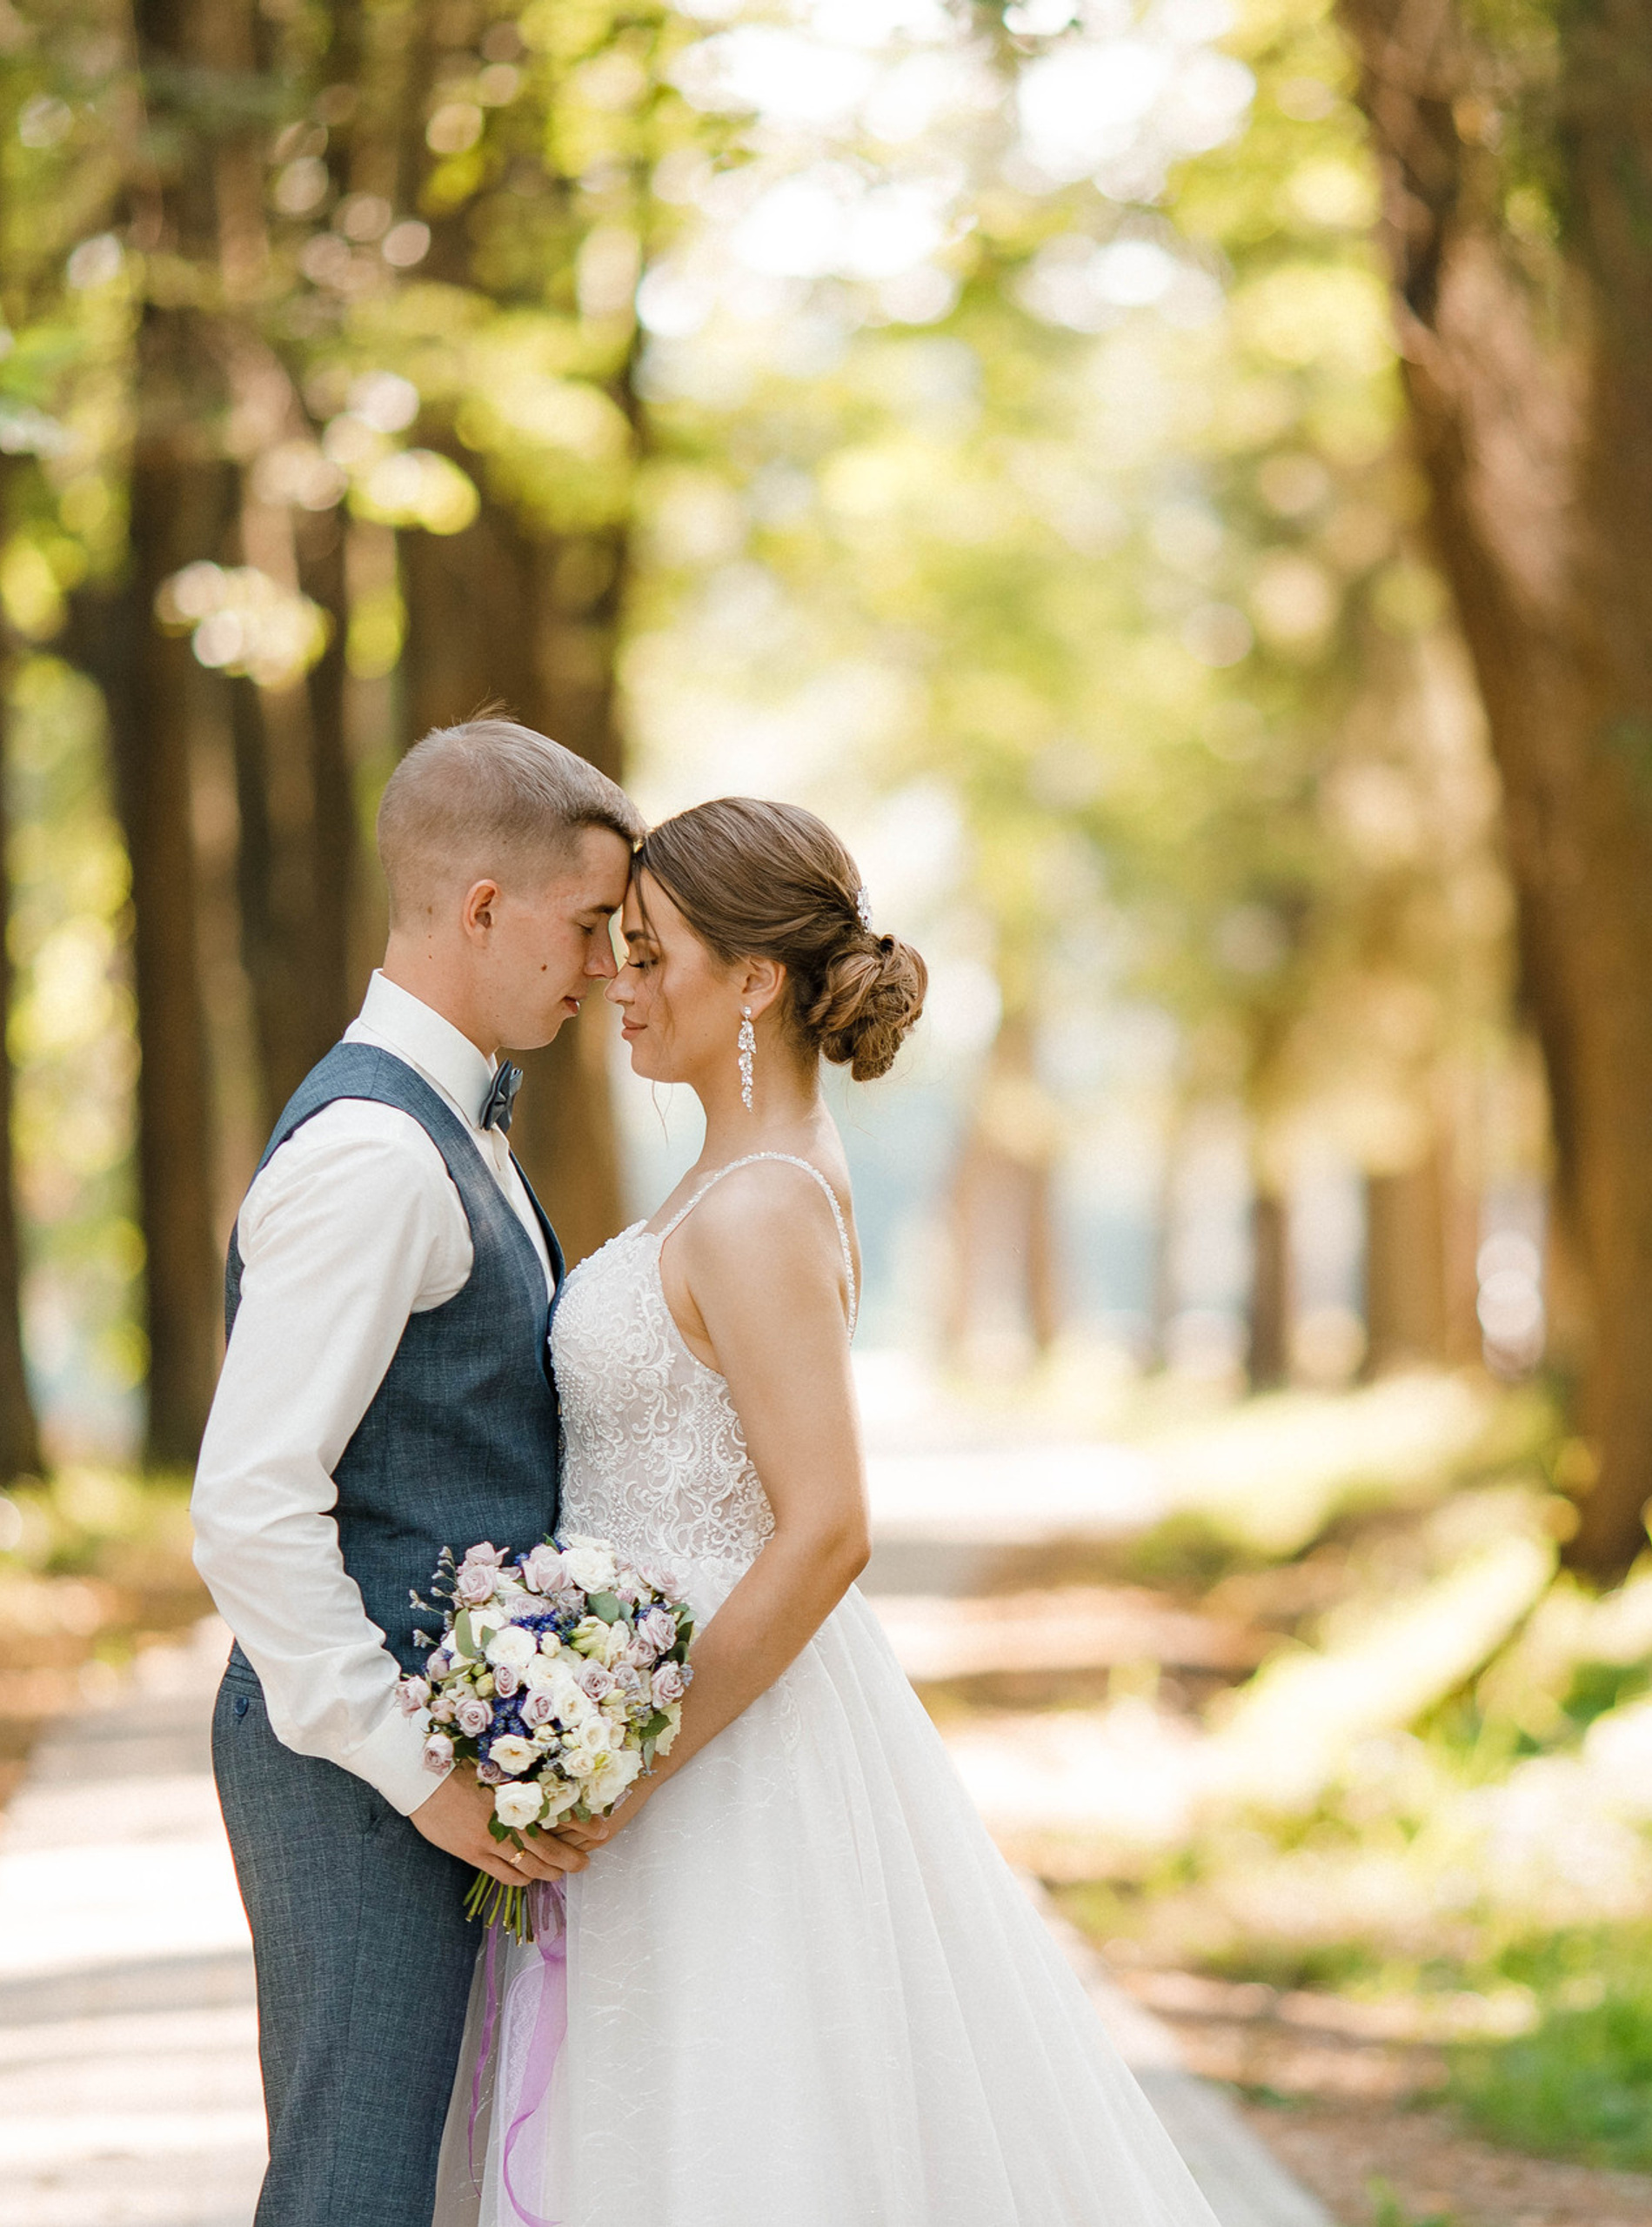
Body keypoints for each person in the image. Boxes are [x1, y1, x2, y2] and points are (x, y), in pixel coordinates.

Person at [470, 796, 1220, 2224]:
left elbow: (826, 1527)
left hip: (716, 1740)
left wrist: (632, 1762)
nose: (618, 980)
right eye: (619, 948)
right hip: (654, 1704)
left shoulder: (759, 1205)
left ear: (755, 979)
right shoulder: (740, 1178)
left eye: (652, 953)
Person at [193, 717, 642, 2227]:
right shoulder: (377, 1156)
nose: (604, 966)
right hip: (357, 1772)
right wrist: (426, 1775)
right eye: (588, 924)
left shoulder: (457, 1127)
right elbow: (251, 1505)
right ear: (484, 909)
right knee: (355, 2189)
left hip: (424, 1757)